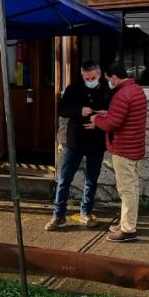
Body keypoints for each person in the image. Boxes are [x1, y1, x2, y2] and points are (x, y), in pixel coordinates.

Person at [46, 60, 110, 231]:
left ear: (99, 73)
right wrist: (79, 110)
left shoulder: (107, 88)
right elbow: (62, 109)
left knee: (91, 180)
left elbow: (114, 112)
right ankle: (58, 215)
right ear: (82, 76)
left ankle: (86, 213)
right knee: (64, 179)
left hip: (96, 141)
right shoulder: (73, 88)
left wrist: (100, 120)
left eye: (93, 77)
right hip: (76, 141)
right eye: (87, 78)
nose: (90, 80)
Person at [90, 62, 148, 242]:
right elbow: (123, 116)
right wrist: (108, 113)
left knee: (127, 190)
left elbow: (112, 124)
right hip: (135, 146)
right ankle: (126, 223)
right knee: (132, 188)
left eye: (108, 79)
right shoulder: (136, 89)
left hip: (124, 149)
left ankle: (128, 230)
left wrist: (97, 119)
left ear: (114, 77)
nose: (108, 82)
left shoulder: (121, 94)